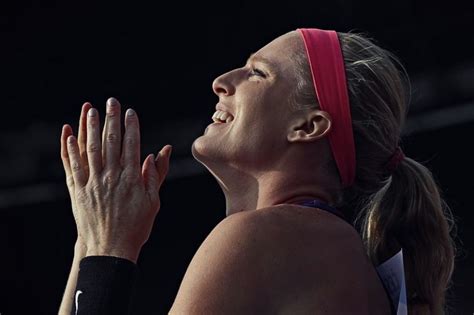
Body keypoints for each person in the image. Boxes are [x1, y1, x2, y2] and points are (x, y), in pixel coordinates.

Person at [58, 28, 456, 314]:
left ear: (307, 127)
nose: (221, 81)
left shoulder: (264, 238)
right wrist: (90, 242)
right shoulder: (324, 248)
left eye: (258, 73)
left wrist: (109, 250)